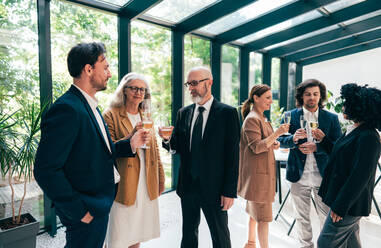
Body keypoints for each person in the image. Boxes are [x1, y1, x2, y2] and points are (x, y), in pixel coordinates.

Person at [34, 42, 149, 248]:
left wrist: (129, 143)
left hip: (100, 203)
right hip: (87, 209)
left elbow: (100, 151)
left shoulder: (90, 105)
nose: (110, 74)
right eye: (105, 67)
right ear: (88, 69)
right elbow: (45, 169)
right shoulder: (67, 109)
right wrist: (79, 211)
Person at [158, 66, 240, 248]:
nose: (191, 88)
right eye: (189, 84)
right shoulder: (183, 113)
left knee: (220, 236)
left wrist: (229, 191)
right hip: (188, 186)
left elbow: (233, 156)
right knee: (188, 234)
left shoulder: (228, 113)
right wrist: (166, 140)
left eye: (194, 83)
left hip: (216, 189)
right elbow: (177, 147)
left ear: (209, 83)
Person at [103, 72, 165, 248]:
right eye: (134, 88)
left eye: (143, 90)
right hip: (124, 182)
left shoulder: (145, 115)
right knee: (118, 235)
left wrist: (161, 177)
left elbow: (154, 150)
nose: (139, 93)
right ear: (124, 90)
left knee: (136, 231)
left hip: (146, 181)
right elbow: (107, 150)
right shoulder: (111, 114)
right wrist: (131, 137)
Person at [278, 79, 341, 248]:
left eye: (315, 94)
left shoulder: (332, 118)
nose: (312, 97)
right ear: (302, 96)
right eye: (308, 94)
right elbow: (280, 141)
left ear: (321, 96)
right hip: (298, 175)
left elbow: (338, 148)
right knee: (301, 217)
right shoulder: (289, 116)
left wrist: (318, 147)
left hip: (323, 176)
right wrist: (293, 139)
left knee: (325, 217)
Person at [317, 83, 381, 248]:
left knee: (325, 243)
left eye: (347, 104)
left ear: (360, 108)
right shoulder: (354, 129)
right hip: (344, 200)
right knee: (351, 244)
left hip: (349, 204)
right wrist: (324, 141)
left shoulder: (369, 137)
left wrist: (340, 206)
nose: (343, 107)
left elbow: (359, 176)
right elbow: (342, 158)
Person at [238, 84, 289, 248]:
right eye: (267, 97)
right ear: (256, 98)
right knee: (263, 218)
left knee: (255, 214)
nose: (271, 101)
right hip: (258, 177)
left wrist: (273, 143)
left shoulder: (261, 117)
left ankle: (251, 243)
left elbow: (263, 143)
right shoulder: (253, 118)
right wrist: (278, 133)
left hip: (260, 174)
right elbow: (257, 147)